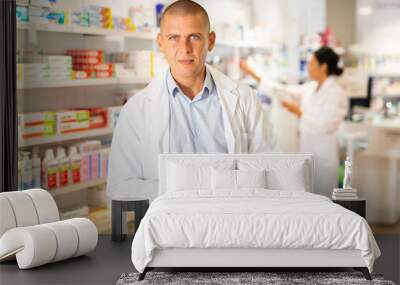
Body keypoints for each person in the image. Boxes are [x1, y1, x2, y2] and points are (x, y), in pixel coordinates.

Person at [107, 0, 277, 201]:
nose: (184, 48)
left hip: (233, 221)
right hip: (168, 226)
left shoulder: (244, 99)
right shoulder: (136, 110)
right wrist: (190, 189)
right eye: (173, 38)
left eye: (194, 37)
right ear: (160, 43)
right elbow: (120, 186)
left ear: (211, 41)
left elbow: (269, 169)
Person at [241, 46, 348, 197]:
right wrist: (254, 75)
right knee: (307, 198)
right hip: (306, 153)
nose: (309, 68)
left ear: (323, 67)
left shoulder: (337, 93)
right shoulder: (311, 87)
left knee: (323, 201)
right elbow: (283, 90)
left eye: (312, 64)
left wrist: (298, 112)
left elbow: (325, 126)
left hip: (324, 159)